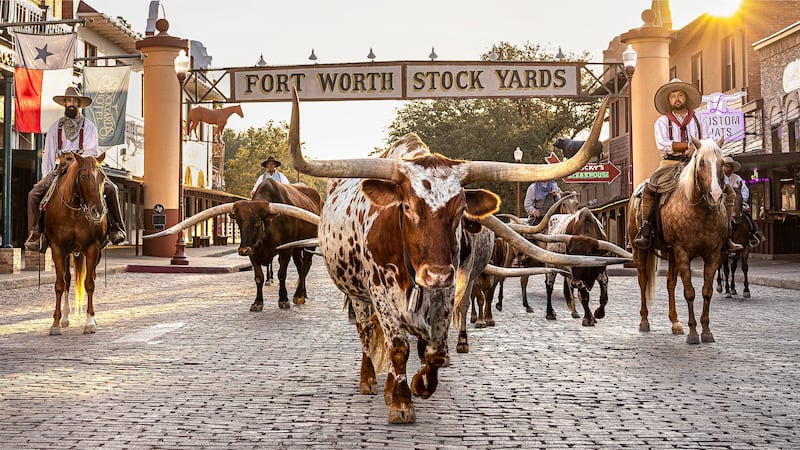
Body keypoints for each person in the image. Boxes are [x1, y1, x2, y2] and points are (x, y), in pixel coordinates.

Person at [632, 78, 743, 253]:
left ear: (686, 98)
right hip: (670, 162)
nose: (677, 99)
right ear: (669, 100)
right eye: (673, 96)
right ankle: (646, 228)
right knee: (650, 188)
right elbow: (662, 144)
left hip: (696, 163)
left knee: (727, 190)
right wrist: (688, 146)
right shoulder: (662, 121)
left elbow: (707, 140)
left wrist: (698, 149)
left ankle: (726, 233)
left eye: (680, 95)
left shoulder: (699, 119)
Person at [24, 86, 127, 252]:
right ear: (65, 103)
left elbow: (91, 152)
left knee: (112, 189)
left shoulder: (89, 127)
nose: (72, 104)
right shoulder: (54, 128)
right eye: (69, 101)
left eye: (75, 101)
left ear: (80, 104)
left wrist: (76, 163)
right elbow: (49, 153)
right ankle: (36, 234)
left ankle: (116, 228)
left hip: (84, 168)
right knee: (33, 195)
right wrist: (47, 176)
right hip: (60, 169)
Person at [723, 156, 765, 248]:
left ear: (732, 168)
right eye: (725, 166)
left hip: (737, 201)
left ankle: (754, 234)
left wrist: (740, 199)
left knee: (747, 214)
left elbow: (745, 191)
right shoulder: (719, 178)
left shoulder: (737, 178)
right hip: (723, 203)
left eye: (728, 166)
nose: (726, 168)